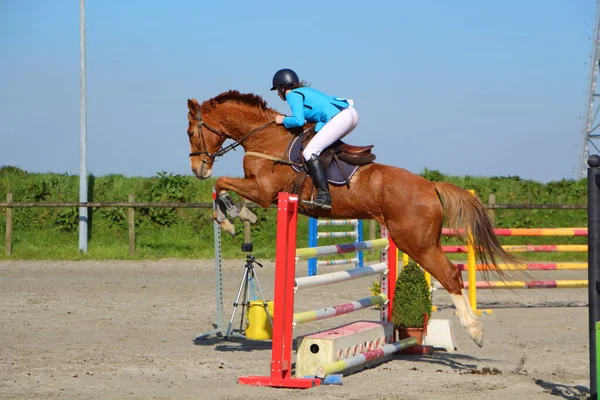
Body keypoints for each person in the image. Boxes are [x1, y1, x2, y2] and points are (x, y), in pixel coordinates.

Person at [271, 68, 359, 210]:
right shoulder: (304, 91)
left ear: (282, 87)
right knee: (321, 146)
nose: (277, 93)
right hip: (350, 114)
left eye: (277, 89)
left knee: (309, 152)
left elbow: (299, 121)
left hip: (341, 117)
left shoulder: (292, 95)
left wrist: (283, 120)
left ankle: (324, 195)